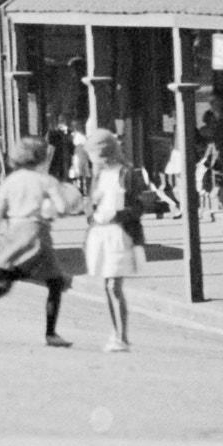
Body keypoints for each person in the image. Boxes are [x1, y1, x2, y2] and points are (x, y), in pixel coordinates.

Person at [0, 136, 81, 346]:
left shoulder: (10, 181)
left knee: (6, 282)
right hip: (36, 232)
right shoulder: (46, 181)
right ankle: (51, 333)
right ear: (41, 158)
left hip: (13, 232)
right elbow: (63, 207)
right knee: (55, 282)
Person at [80, 126, 147, 352]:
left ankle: (122, 336)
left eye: (95, 156)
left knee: (113, 284)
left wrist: (117, 214)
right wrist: (92, 213)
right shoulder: (98, 175)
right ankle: (116, 332)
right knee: (107, 286)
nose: (93, 161)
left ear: (105, 153)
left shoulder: (127, 173)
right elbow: (91, 203)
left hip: (120, 233)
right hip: (101, 233)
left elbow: (139, 206)